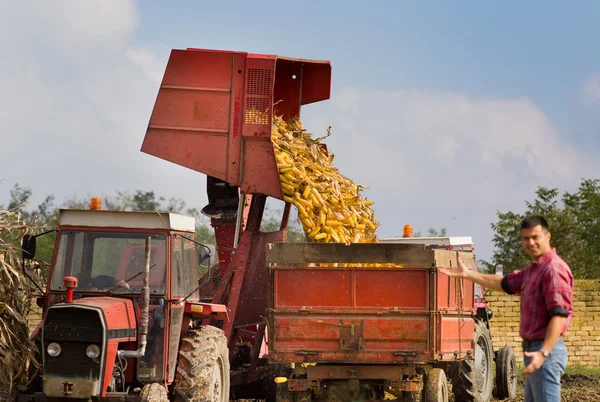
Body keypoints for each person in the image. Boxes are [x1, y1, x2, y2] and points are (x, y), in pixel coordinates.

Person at [440, 215, 573, 402]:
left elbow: (559, 315)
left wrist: (544, 353)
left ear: (548, 236)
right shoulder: (533, 270)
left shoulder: (553, 269)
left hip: (545, 351)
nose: (531, 242)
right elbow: (503, 282)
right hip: (534, 349)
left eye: (536, 237)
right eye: (526, 238)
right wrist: (468, 275)